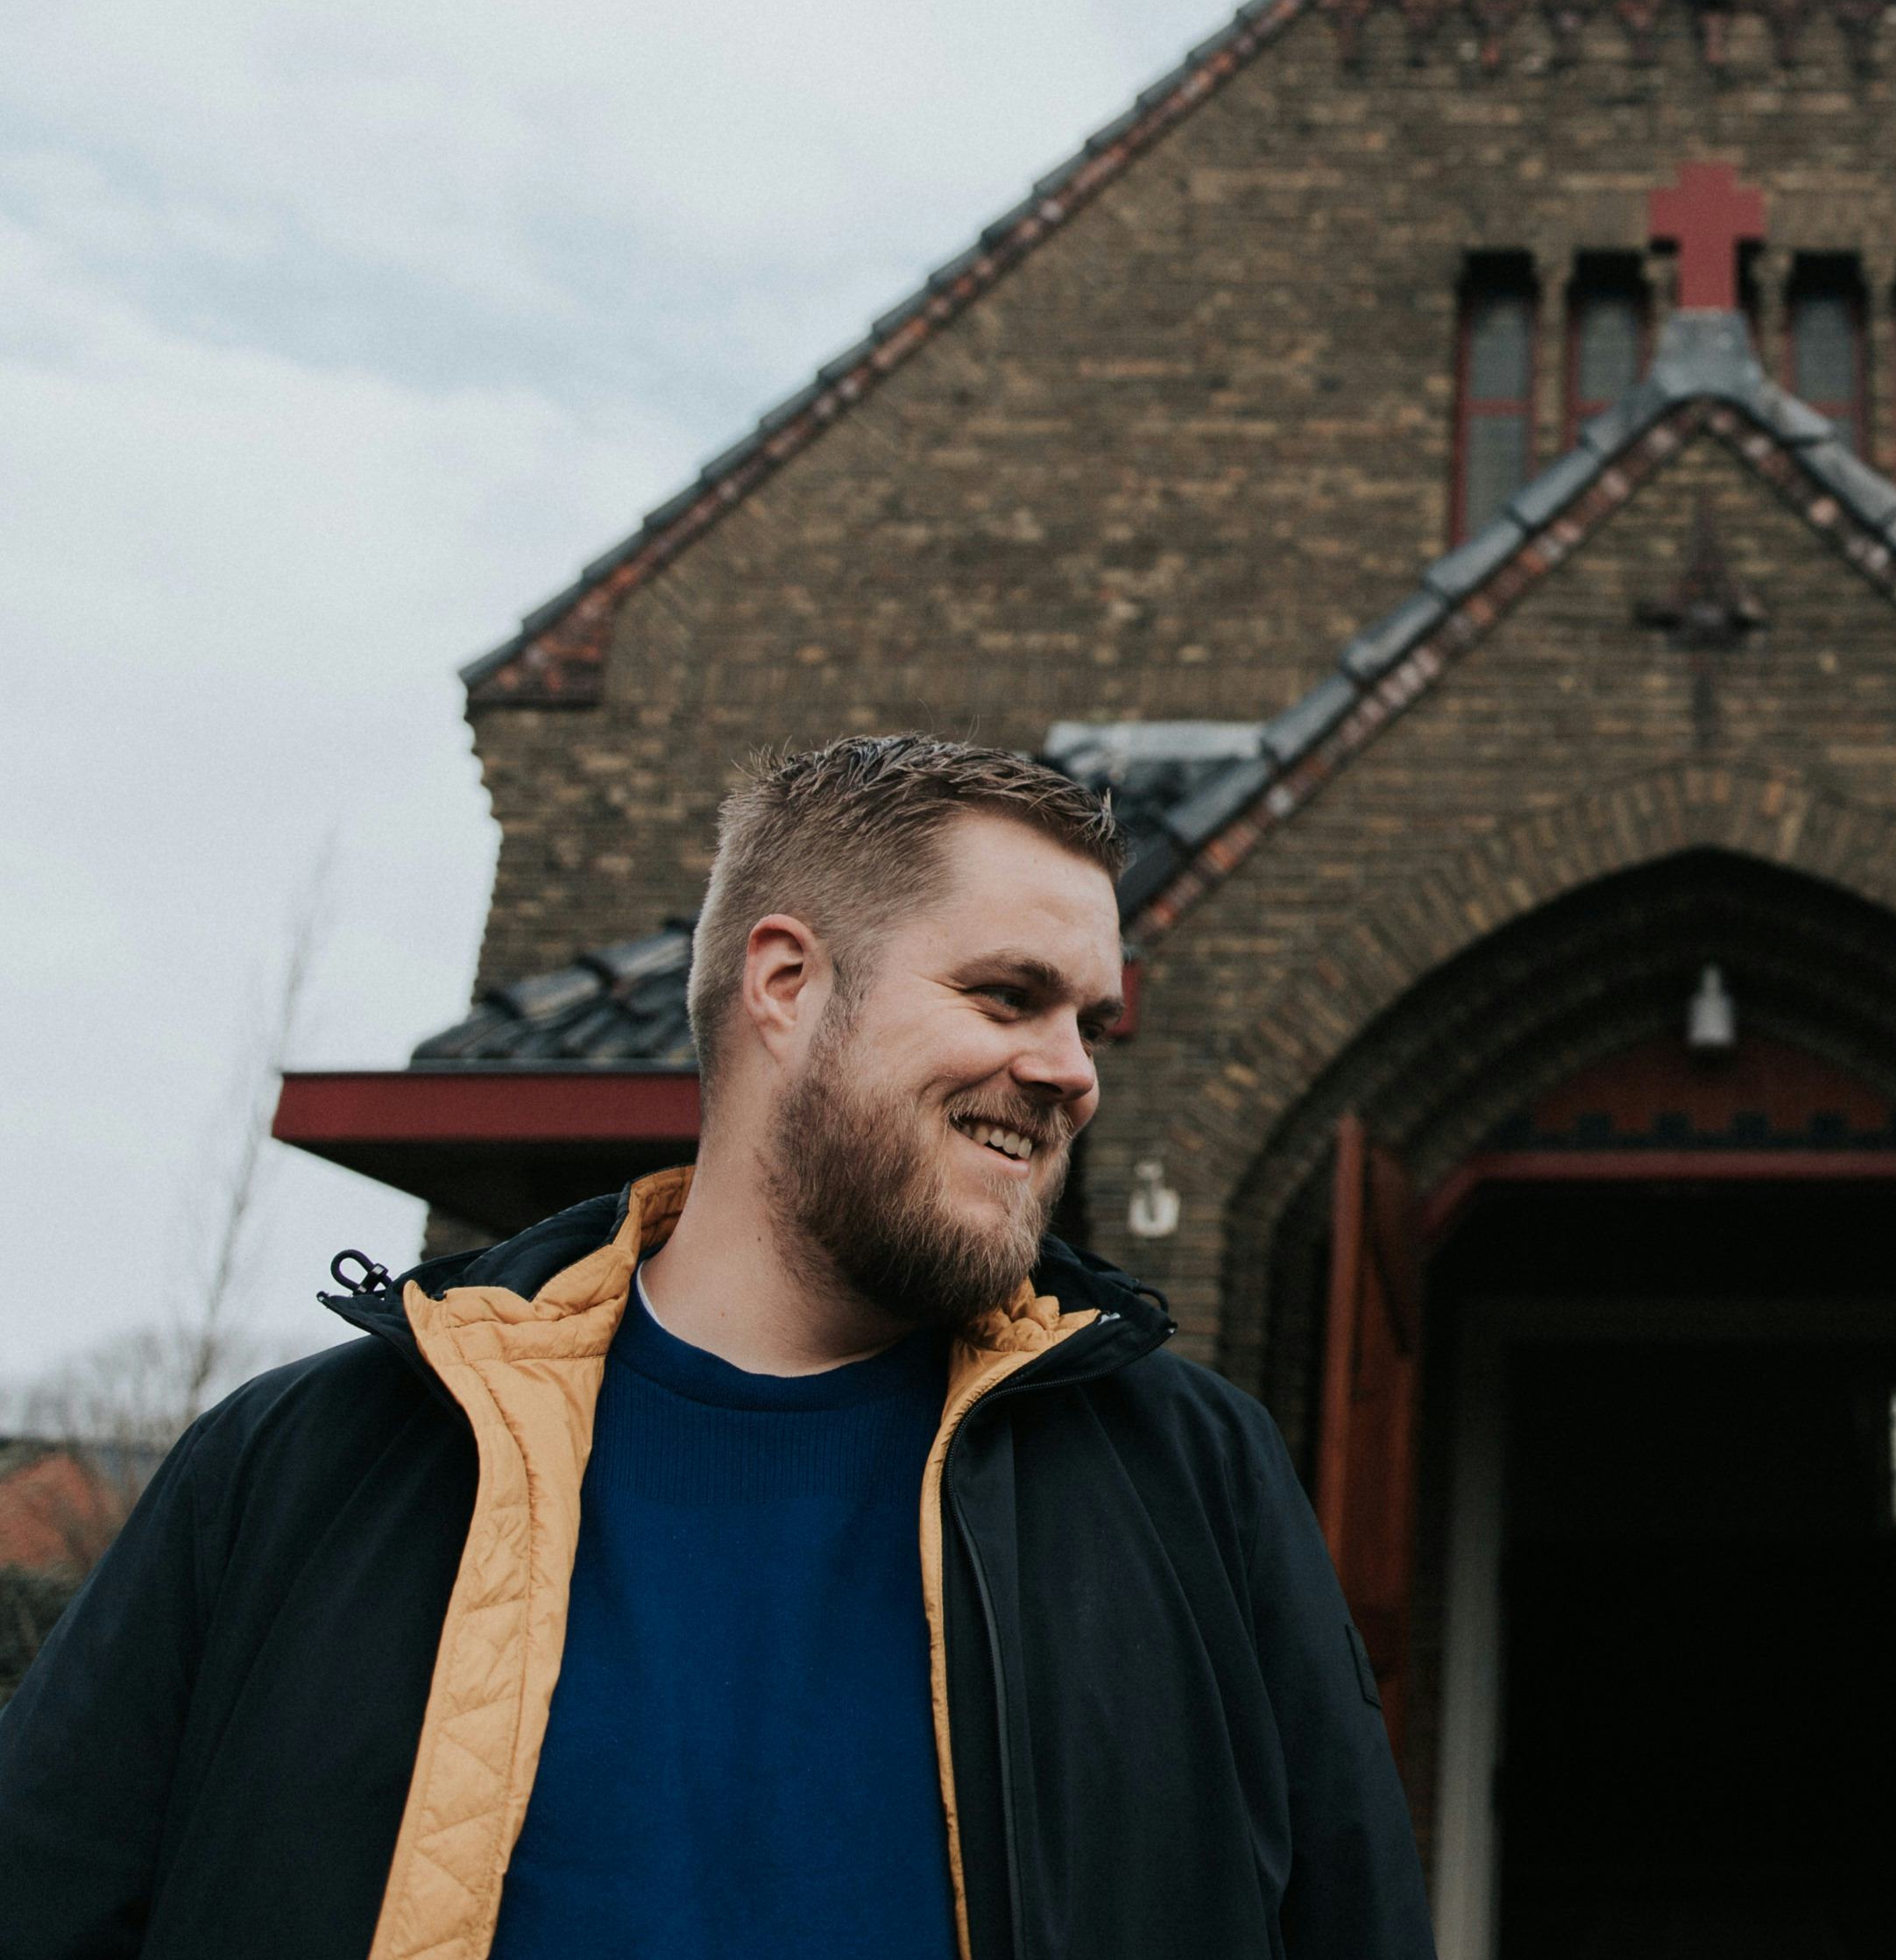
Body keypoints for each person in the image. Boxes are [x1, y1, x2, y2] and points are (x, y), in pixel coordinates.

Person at [0, 735, 1435, 1960]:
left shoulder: (1198, 1484)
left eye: (1087, 1019)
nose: (1072, 1068)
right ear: (786, 984)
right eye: (1008, 996)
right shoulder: (303, 1468)